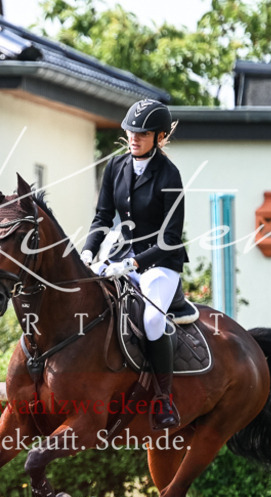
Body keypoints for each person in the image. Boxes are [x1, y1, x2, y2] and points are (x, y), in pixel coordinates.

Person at [81, 99, 188, 430]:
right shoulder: (116, 167)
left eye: (142, 134)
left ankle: (163, 399)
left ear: (158, 137)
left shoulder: (170, 175)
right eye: (130, 131)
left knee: (154, 321)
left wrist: (133, 263)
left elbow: (170, 236)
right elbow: (102, 216)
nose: (133, 137)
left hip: (160, 262)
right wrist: (88, 252)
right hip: (118, 256)